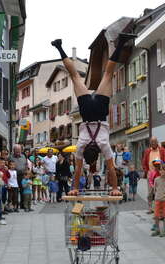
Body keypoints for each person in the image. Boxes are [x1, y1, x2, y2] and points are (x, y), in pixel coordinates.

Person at [51, 35, 136, 197]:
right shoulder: (81, 145)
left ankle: (122, 42)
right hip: (87, 111)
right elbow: (77, 169)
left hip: (100, 111)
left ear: (97, 153)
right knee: (75, 76)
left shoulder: (103, 144)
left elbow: (111, 168)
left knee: (108, 74)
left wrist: (115, 188)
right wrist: (74, 187)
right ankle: (59, 47)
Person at [142, 137, 165, 213]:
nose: (153, 143)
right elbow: (144, 162)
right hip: (150, 173)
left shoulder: (162, 150)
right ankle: (150, 208)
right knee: (150, 192)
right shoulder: (147, 151)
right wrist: (146, 171)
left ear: (157, 142)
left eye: (154, 142)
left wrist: (162, 167)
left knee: (159, 191)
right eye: (152, 142)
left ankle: (159, 208)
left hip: (159, 173)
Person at [151, 165, 165, 238]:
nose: (162, 171)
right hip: (158, 199)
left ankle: (164, 229)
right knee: (156, 215)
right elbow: (155, 189)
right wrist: (156, 196)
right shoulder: (156, 179)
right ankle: (157, 229)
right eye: (161, 170)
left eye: (164, 170)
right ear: (159, 171)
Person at [11, 145, 28, 209]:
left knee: (23, 190)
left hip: (23, 175)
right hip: (14, 176)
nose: (18, 151)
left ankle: (23, 205)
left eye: (19, 149)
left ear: (21, 150)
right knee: (14, 191)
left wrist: (26, 172)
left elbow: (26, 165)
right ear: (14, 150)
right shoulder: (11, 157)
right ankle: (15, 205)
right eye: (16, 149)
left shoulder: (23, 156)